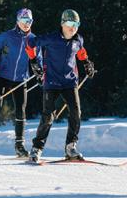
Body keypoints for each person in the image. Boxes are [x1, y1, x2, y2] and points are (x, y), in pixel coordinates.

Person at [29, 9, 96, 163]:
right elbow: (31, 44)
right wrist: (34, 62)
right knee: (48, 116)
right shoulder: (51, 38)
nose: (73, 27)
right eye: (70, 23)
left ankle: (70, 147)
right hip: (51, 81)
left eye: (76, 24)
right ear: (62, 24)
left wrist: (87, 63)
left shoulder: (78, 40)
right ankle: (37, 148)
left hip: (69, 82)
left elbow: (81, 52)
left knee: (76, 112)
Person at [0, 8, 42, 157]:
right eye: (24, 20)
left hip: (21, 79)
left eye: (29, 21)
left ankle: (19, 146)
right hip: (4, 77)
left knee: (21, 110)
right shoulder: (7, 36)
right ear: (17, 21)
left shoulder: (34, 40)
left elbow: (38, 60)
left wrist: (40, 75)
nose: (26, 24)